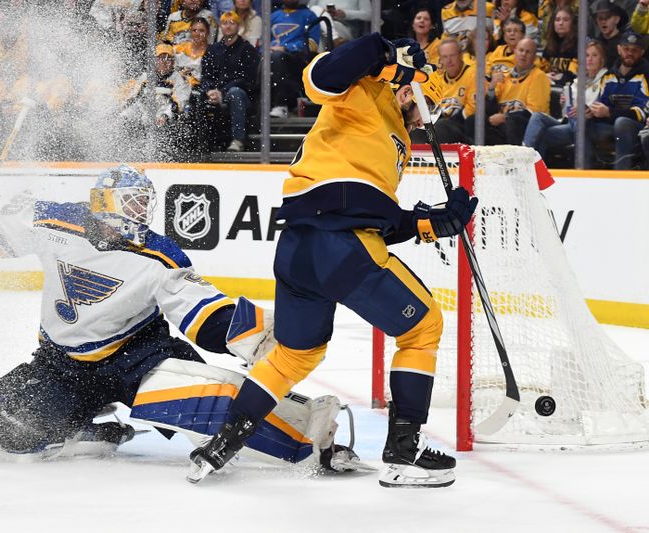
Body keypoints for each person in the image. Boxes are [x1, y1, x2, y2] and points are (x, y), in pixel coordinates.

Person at [0, 166, 362, 472]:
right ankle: (86, 427)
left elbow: (201, 310)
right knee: (5, 434)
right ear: (105, 203)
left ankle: (311, 432)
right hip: (62, 365)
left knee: (210, 403)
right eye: (134, 202)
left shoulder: (159, 255)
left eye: (146, 202)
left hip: (138, 357)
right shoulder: (57, 224)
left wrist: (262, 335)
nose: (143, 212)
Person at [188, 34, 478, 488]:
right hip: (338, 247)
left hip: (302, 249)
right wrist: (384, 54)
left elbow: (367, 213)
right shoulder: (360, 88)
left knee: (294, 355)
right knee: (423, 328)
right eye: (427, 107)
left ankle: (222, 443)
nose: (427, 122)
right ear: (410, 91)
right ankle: (404, 454)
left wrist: (434, 223)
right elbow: (317, 76)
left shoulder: (394, 137)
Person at [523, 40, 608, 166]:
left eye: (594, 55)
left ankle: (531, 170)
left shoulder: (607, 79)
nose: (589, 59)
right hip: (570, 122)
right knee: (537, 117)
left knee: (544, 135)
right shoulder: (578, 80)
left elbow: (603, 104)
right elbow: (567, 111)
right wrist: (564, 103)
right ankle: (524, 157)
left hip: (589, 124)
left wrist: (586, 110)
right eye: (586, 55)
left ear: (602, 59)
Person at [587, 31, 649, 169]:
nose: (630, 53)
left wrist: (609, 112)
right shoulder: (608, 76)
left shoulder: (646, 75)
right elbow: (602, 106)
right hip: (610, 125)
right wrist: (592, 112)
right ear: (619, 49)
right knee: (582, 124)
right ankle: (585, 173)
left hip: (637, 127)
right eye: (626, 49)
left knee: (622, 123)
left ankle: (621, 173)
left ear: (642, 52)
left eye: (635, 50)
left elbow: (641, 114)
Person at [199, 10, 259, 152]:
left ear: (239, 26)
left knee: (235, 92)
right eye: (225, 23)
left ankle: (238, 140)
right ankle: (199, 142)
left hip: (241, 95)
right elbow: (206, 76)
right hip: (215, 93)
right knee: (195, 94)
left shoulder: (247, 49)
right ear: (220, 26)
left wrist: (222, 91)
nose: (228, 26)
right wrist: (209, 91)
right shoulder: (213, 49)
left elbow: (247, 79)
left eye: (232, 23)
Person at [478, 37, 549, 145]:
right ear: (515, 52)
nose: (523, 54)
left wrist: (505, 117)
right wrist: (491, 87)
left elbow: (534, 112)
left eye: (528, 52)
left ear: (535, 57)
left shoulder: (539, 76)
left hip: (524, 125)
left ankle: (515, 160)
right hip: (501, 125)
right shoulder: (504, 76)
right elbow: (490, 109)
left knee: (513, 122)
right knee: (474, 120)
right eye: (521, 50)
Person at [412, 38, 475, 144]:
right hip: (440, 124)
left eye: (452, 55)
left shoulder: (472, 74)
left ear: (460, 55)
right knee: (416, 130)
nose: (449, 60)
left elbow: (473, 107)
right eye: (445, 57)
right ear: (440, 59)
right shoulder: (439, 79)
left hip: (462, 127)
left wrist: (448, 120)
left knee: (440, 127)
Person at [268, 0, 320, 118]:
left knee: (277, 57)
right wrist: (266, 49)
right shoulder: (273, 16)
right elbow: (263, 42)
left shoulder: (309, 15)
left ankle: (282, 104)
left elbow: (312, 44)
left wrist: (286, 48)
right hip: (272, 55)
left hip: (297, 58)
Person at [539, 6, 578, 88]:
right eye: (557, 20)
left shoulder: (578, 45)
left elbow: (573, 74)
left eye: (565, 20)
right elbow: (541, 67)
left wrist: (559, 78)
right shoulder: (550, 45)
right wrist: (544, 75)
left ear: (572, 23)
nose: (561, 23)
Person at [591, 0, 628, 67]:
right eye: (600, 18)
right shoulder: (595, 44)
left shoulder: (625, 43)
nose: (603, 21)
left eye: (607, 17)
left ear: (617, 19)